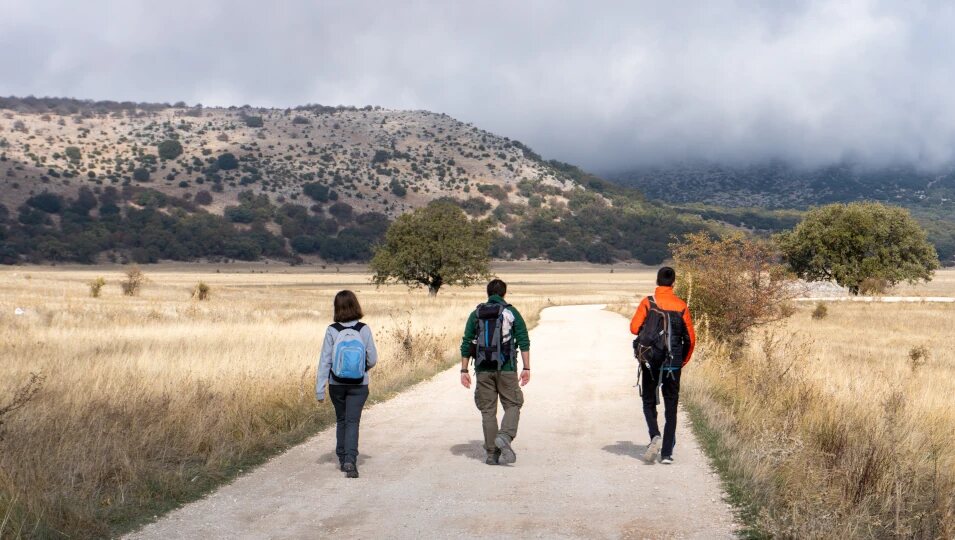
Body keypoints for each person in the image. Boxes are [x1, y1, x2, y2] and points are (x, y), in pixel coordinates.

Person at [459, 279, 531, 465]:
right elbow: (523, 340)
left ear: (488, 293)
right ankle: (505, 436)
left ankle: (492, 454)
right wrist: (526, 367)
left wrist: (464, 369)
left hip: (482, 369)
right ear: (504, 293)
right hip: (506, 368)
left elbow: (467, 343)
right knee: (514, 403)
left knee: (488, 411)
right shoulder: (511, 312)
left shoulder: (476, 314)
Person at [630, 267, 696, 464]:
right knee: (671, 405)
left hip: (650, 361)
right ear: (673, 283)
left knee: (649, 400)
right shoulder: (681, 305)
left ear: (657, 282)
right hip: (673, 363)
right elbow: (691, 339)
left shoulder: (648, 302)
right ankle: (667, 453)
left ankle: (654, 436)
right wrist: (682, 360)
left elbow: (634, 328)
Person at [316, 290, 378, 478]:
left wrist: (320, 389)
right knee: (353, 421)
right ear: (356, 305)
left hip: (336, 384)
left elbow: (325, 361)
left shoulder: (332, 330)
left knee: (341, 420)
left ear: (337, 307)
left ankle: (342, 458)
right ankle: (351, 460)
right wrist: (360, 370)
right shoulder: (364, 329)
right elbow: (373, 359)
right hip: (359, 385)